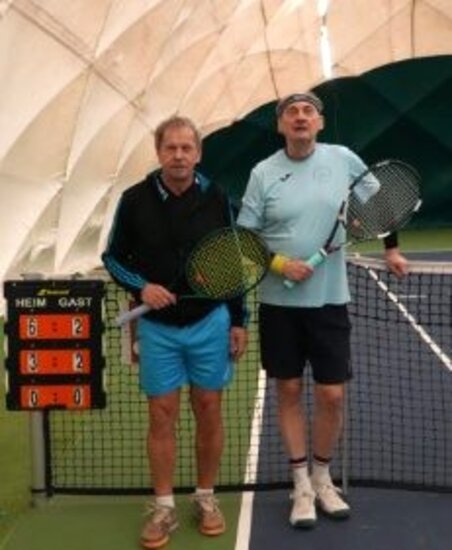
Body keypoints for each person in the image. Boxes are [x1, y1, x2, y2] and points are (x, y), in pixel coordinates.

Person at [237, 92, 408, 528]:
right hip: (279, 304)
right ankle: (300, 485)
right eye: (291, 112)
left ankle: (322, 476)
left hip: (330, 301)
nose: (300, 117)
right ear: (280, 125)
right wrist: (279, 264)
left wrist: (391, 249)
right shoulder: (263, 172)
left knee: (332, 395)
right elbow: (245, 237)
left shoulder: (343, 159)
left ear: (320, 122)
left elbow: (381, 205)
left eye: (308, 111)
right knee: (289, 390)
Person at [102, 115, 248, 549]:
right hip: (158, 328)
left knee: (209, 408)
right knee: (161, 414)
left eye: (187, 148)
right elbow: (113, 258)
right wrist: (142, 287)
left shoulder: (218, 197)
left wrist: (238, 320)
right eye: (171, 148)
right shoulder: (134, 199)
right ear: (159, 152)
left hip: (210, 323)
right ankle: (164, 507)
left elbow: (231, 260)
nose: (179, 155)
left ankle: (205, 497)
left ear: (198, 153)